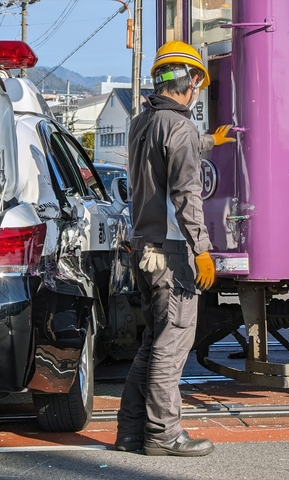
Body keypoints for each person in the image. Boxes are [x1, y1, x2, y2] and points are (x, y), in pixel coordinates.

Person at [115, 41, 234, 457]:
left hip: (144, 248)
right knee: (173, 343)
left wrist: (208, 142)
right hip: (173, 253)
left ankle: (131, 431)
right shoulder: (179, 128)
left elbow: (169, 153)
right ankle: (164, 434)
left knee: (153, 343)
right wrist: (203, 249)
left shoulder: (142, 122)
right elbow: (186, 192)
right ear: (192, 81)